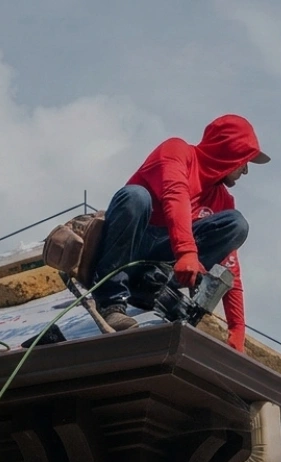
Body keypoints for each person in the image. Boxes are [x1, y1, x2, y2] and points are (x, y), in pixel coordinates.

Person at [89, 114, 271, 351]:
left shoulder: (223, 200)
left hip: (158, 267)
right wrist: (187, 251)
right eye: (244, 160)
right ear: (228, 152)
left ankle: (152, 286)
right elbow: (175, 196)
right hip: (130, 247)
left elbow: (229, 267)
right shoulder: (177, 151)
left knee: (236, 224)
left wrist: (237, 329)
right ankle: (111, 303)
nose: (245, 170)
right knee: (135, 197)